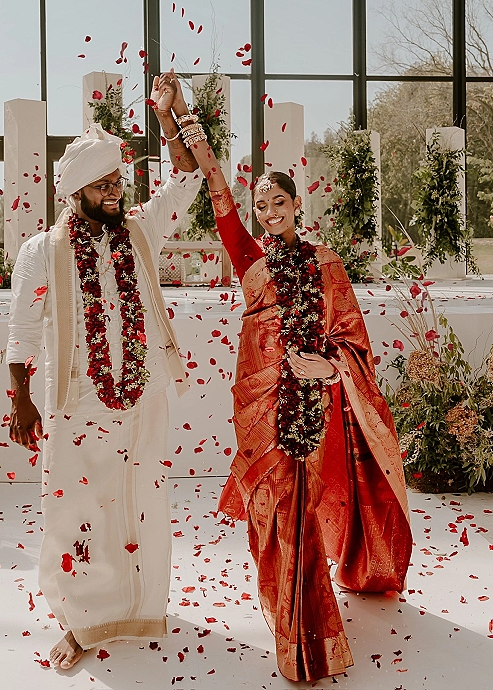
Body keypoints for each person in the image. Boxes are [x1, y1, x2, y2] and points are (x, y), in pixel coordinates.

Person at [166, 74, 413, 682]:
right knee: (270, 516)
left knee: (298, 513)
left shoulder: (327, 265)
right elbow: (217, 185)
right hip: (257, 405)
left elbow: (354, 339)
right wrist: (180, 113)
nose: (269, 215)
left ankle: (309, 641)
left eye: (279, 205)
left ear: (298, 206)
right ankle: (288, 620)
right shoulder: (249, 261)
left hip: (308, 406)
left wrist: (329, 367)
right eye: (262, 209)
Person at [6, 73, 201, 669]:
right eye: (104, 184)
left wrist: (175, 115)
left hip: (142, 395)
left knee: (140, 499)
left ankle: (137, 606)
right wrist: (21, 399)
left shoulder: (138, 230)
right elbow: (21, 327)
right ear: (76, 193)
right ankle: (81, 622)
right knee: (77, 511)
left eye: (119, 180)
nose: (116, 190)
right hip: (78, 400)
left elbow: (187, 180)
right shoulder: (44, 249)